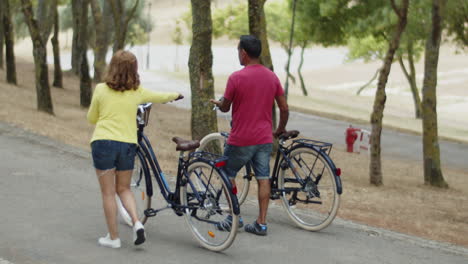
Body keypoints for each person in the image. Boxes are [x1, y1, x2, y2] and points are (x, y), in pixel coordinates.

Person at [87, 50, 183, 248]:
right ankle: (137, 223)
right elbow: (159, 96)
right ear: (134, 70)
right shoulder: (137, 92)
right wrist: (176, 95)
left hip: (104, 143)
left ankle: (113, 238)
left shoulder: (101, 89)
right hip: (128, 145)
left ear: (112, 67)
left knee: (108, 193)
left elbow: (91, 118)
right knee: (123, 188)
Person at [210, 35, 289, 236]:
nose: (238, 54)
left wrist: (220, 104)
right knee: (263, 178)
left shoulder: (236, 78)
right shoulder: (272, 77)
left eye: (238, 51)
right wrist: (279, 129)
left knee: (226, 173)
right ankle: (261, 223)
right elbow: (284, 108)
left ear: (243, 53)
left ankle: (233, 218)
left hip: (241, 139)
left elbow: (226, 108)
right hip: (264, 139)